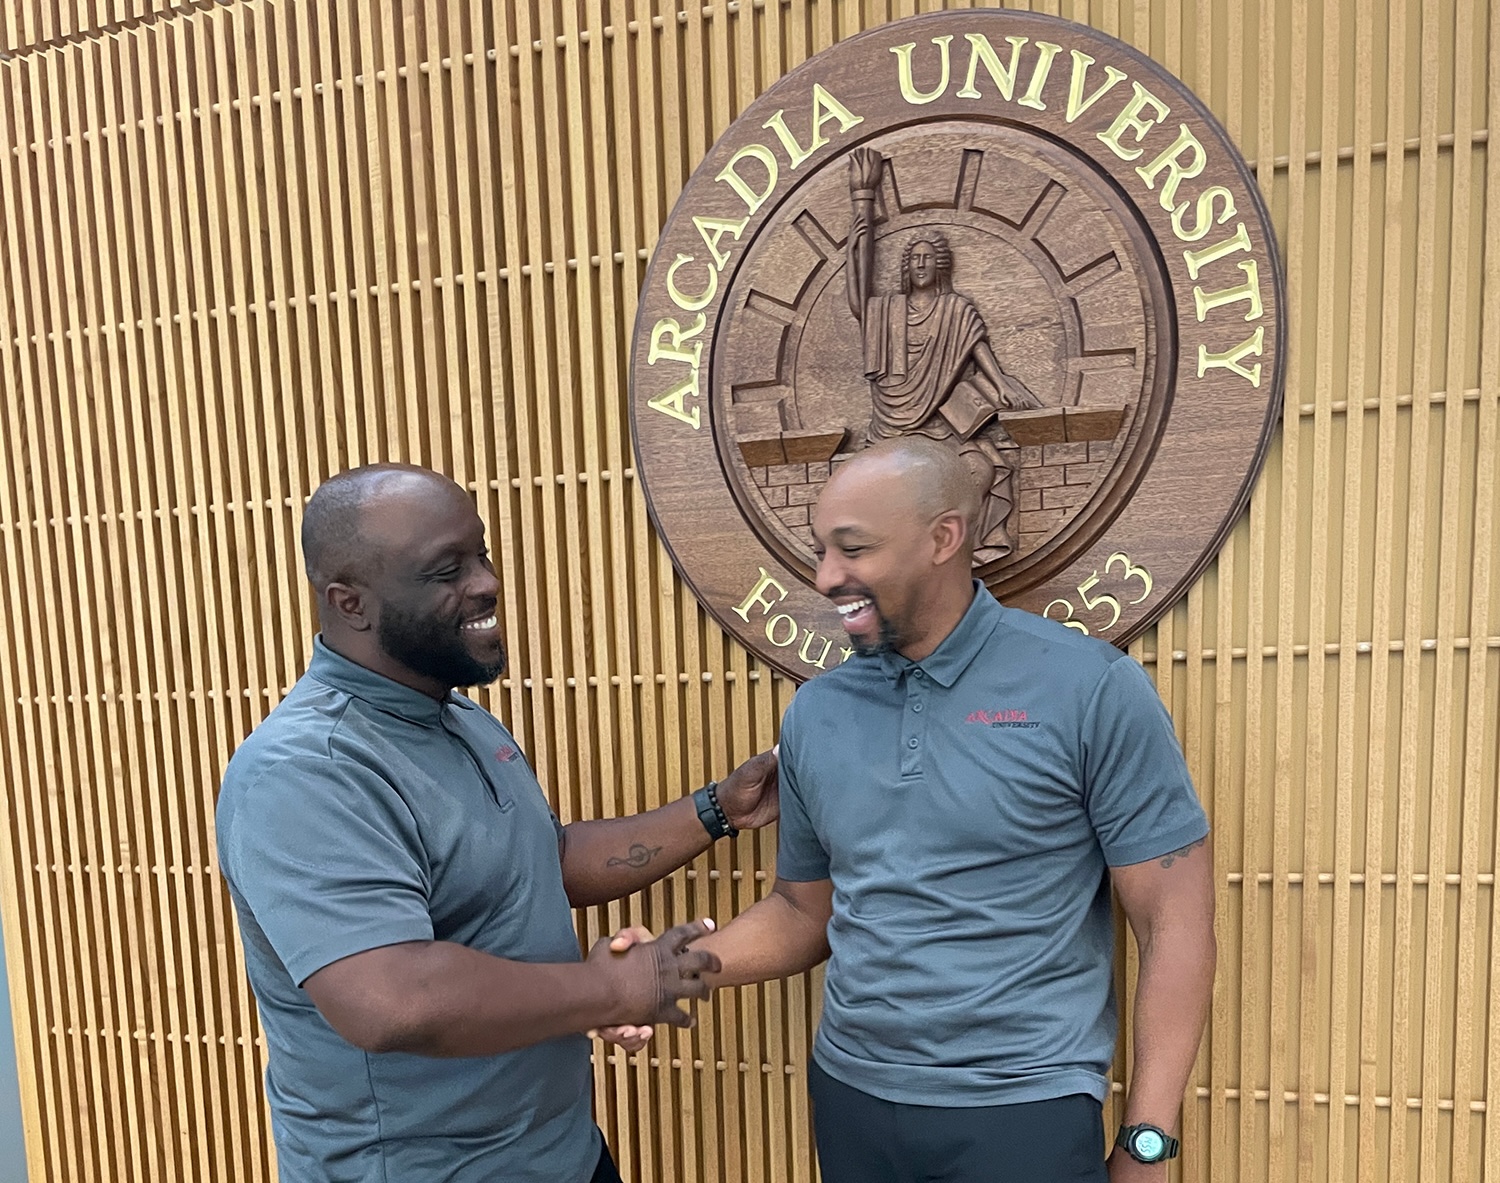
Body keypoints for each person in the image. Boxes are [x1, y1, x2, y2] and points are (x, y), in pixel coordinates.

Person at [612, 436, 1214, 1182]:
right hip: (851, 1097)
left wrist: (1147, 1140)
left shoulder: (1091, 688)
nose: (827, 576)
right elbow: (804, 912)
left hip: (1022, 1108)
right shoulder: (816, 712)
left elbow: (1174, 918)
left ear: (943, 538)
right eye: (822, 550)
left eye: (853, 548)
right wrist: (670, 970)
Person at [215, 463, 778, 1183]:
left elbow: (543, 859)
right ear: (348, 602)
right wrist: (614, 989)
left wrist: (717, 810)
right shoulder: (305, 771)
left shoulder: (460, 715)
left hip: (563, 1154)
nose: (486, 582)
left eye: (481, 553)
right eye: (446, 570)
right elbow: (393, 997)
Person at [845, 146, 1043, 562]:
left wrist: (1000, 382)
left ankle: (949, 552)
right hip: (893, 431)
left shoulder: (956, 310)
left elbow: (977, 347)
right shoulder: (886, 312)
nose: (920, 264)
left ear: (941, 264)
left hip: (943, 428)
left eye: (928, 258)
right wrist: (862, 201)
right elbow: (858, 291)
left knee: (982, 471)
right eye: (913, 258)